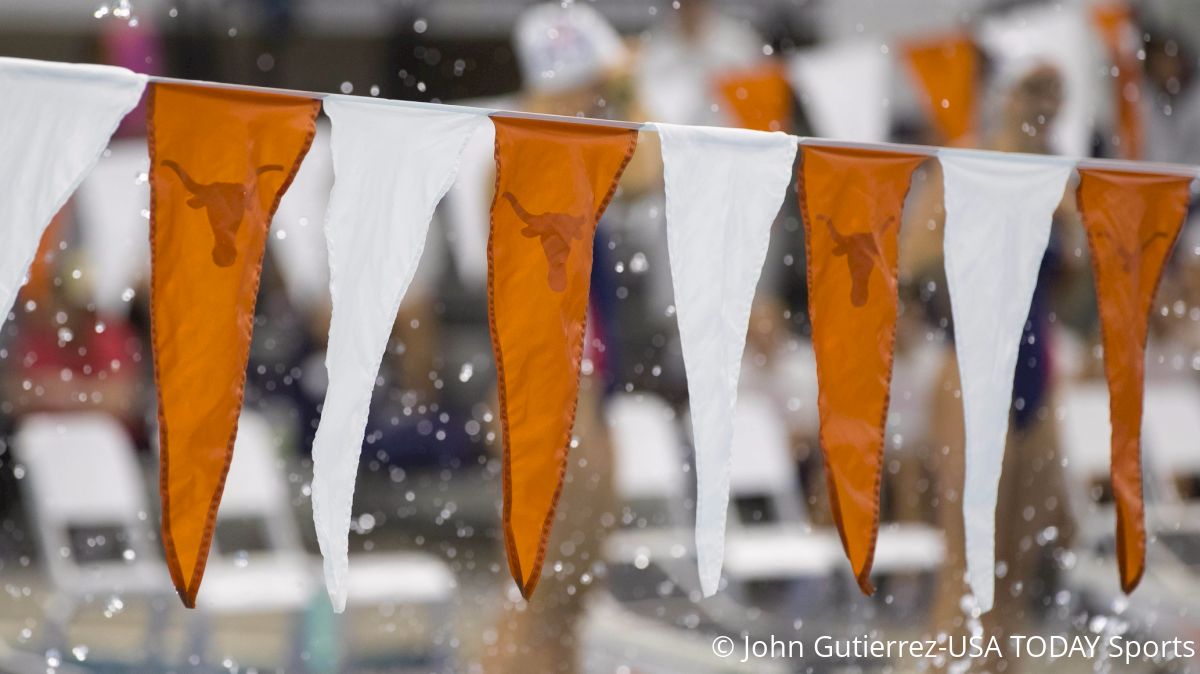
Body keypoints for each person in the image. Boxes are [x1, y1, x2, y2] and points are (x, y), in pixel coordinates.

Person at [900, 60, 1081, 672]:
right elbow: (913, 267)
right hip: (971, 371)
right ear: (1003, 94)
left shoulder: (1064, 176)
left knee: (1020, 570)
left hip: (1038, 373)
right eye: (1033, 86)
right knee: (968, 567)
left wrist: (1070, 231)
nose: (1043, 102)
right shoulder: (966, 162)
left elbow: (1075, 289)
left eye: (1054, 89)